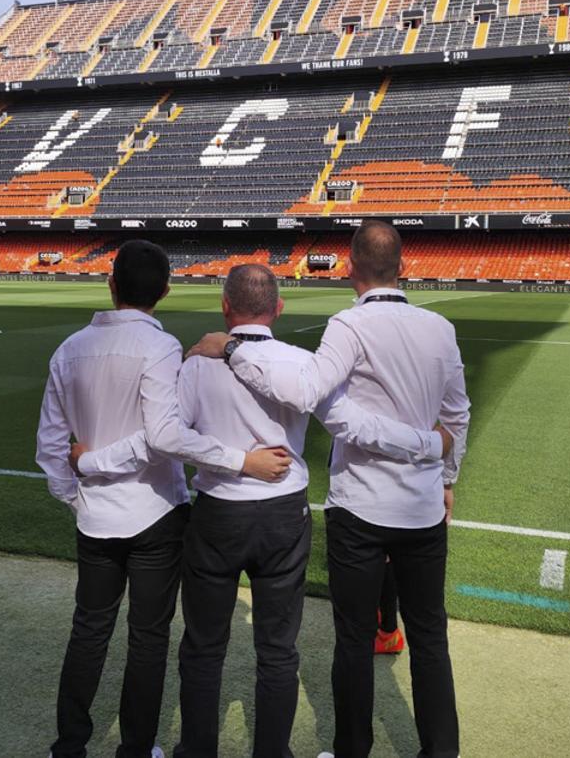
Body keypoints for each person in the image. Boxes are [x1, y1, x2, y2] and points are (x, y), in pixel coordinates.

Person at [77, 263, 451, 758]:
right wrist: (432, 446)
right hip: (282, 516)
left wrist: (231, 459)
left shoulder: (196, 364)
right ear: (278, 308)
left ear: (224, 307)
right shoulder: (301, 363)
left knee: (204, 648)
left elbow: (171, 438)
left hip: (218, 514)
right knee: (277, 652)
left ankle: (197, 750)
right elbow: (341, 419)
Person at [190, 220, 471, 758]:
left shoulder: (347, 324)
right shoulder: (439, 326)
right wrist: (446, 470)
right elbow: (456, 415)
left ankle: (352, 751)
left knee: (352, 638)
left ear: (349, 269)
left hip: (361, 508)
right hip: (420, 507)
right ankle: (441, 751)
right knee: (430, 637)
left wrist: (232, 351)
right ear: (403, 268)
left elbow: (311, 397)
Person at [34, 240, 292, 758]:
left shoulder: (69, 349)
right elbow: (161, 438)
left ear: (111, 285)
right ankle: (136, 748)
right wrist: (91, 466)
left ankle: (69, 746)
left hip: (97, 516)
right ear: (166, 291)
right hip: (155, 512)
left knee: (89, 630)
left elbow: (48, 445)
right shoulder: (161, 348)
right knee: (148, 637)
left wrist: (79, 492)